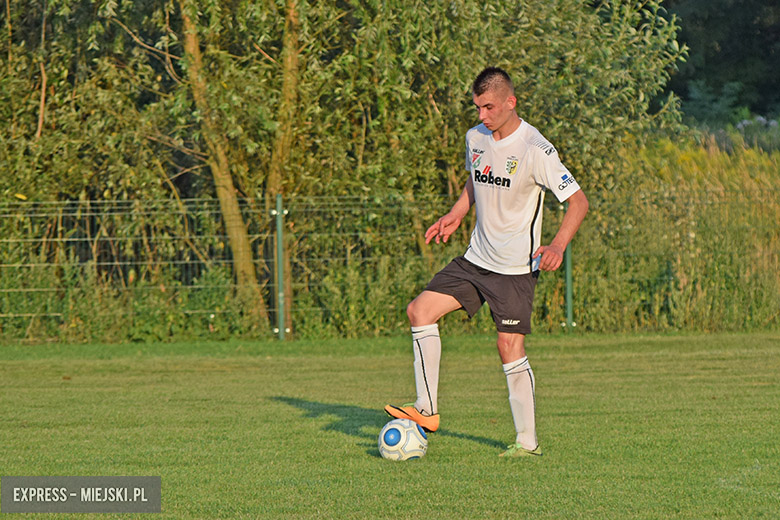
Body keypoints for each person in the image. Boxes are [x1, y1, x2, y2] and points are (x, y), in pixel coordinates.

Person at [384, 66, 589, 457]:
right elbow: (475, 180)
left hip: (514, 269)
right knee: (419, 311)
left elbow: (578, 202)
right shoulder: (475, 137)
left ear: (510, 102)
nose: (482, 116)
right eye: (477, 107)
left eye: (489, 107)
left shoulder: (536, 150)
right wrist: (457, 212)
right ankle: (426, 410)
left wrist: (558, 246)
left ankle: (526, 444)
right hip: (475, 259)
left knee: (508, 347)